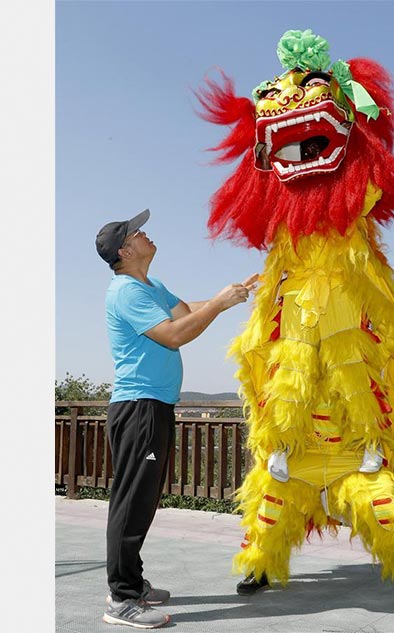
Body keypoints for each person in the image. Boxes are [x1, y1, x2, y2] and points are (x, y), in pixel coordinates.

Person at [95, 208, 257, 629]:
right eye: (138, 232)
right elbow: (174, 335)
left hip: (155, 405)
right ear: (125, 251)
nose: (147, 233)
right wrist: (220, 303)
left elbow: (185, 313)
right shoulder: (126, 291)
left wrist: (231, 296)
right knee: (131, 502)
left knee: (142, 500)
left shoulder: (151, 285)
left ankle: (132, 582)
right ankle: (122, 599)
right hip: (139, 406)